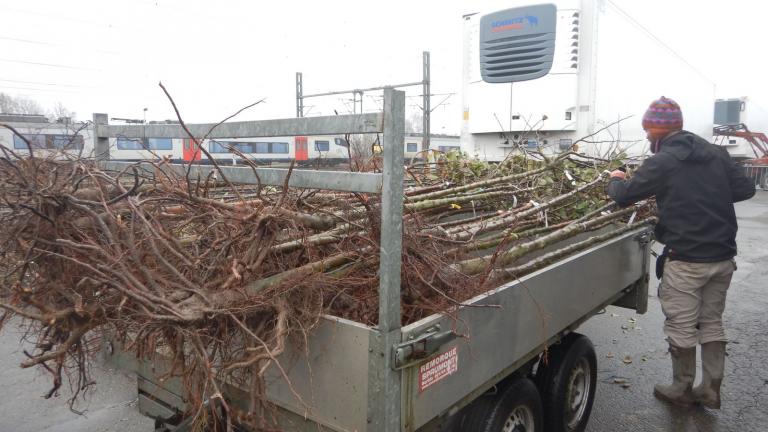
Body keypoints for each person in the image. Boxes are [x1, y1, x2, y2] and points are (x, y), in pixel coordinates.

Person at [606, 96, 755, 409]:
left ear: (658, 132)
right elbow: (744, 189)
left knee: (682, 325)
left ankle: (680, 387)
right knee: (712, 321)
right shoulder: (714, 153)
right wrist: (706, 199)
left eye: (648, 131)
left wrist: (616, 179)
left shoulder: (663, 161)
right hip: (722, 256)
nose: (646, 136)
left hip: (686, 259)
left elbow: (625, 196)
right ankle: (711, 389)